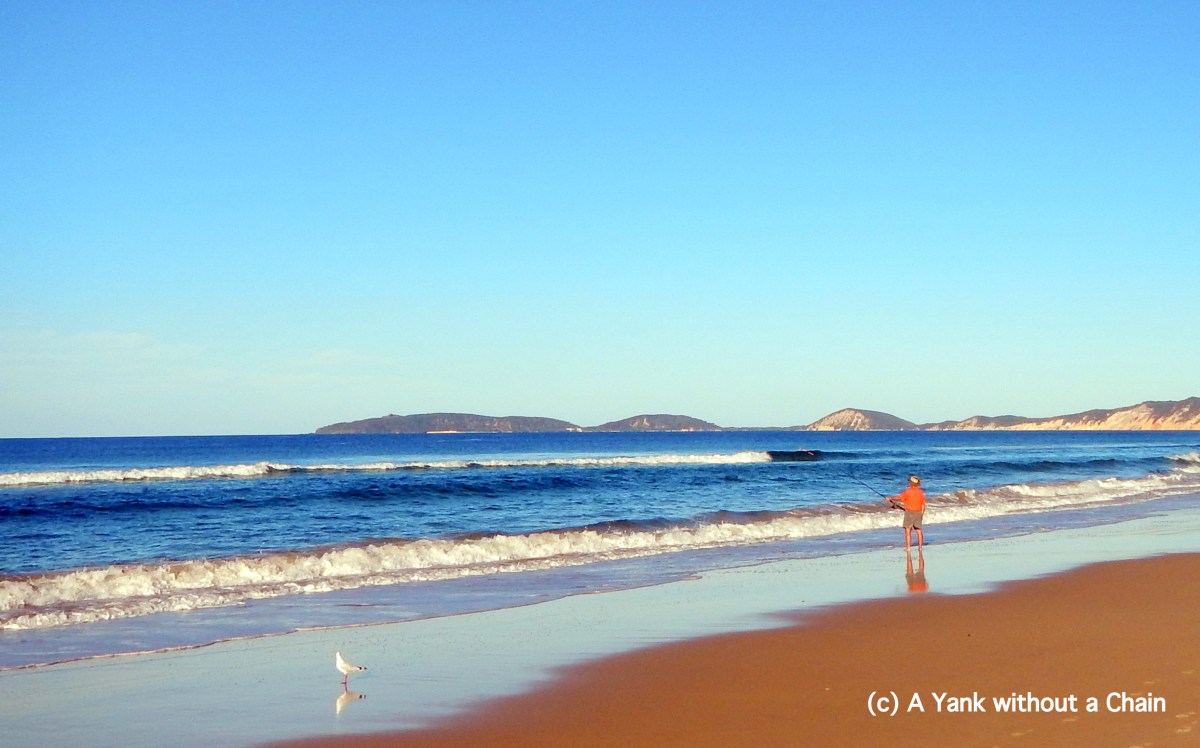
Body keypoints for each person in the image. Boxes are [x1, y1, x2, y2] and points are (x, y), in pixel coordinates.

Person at [886, 475, 926, 549]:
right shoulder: (921, 493)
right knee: (919, 530)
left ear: (910, 483)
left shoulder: (908, 491)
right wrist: (921, 514)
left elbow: (899, 498)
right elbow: (923, 505)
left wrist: (890, 498)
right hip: (918, 512)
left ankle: (908, 547)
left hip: (909, 512)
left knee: (908, 531)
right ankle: (920, 547)